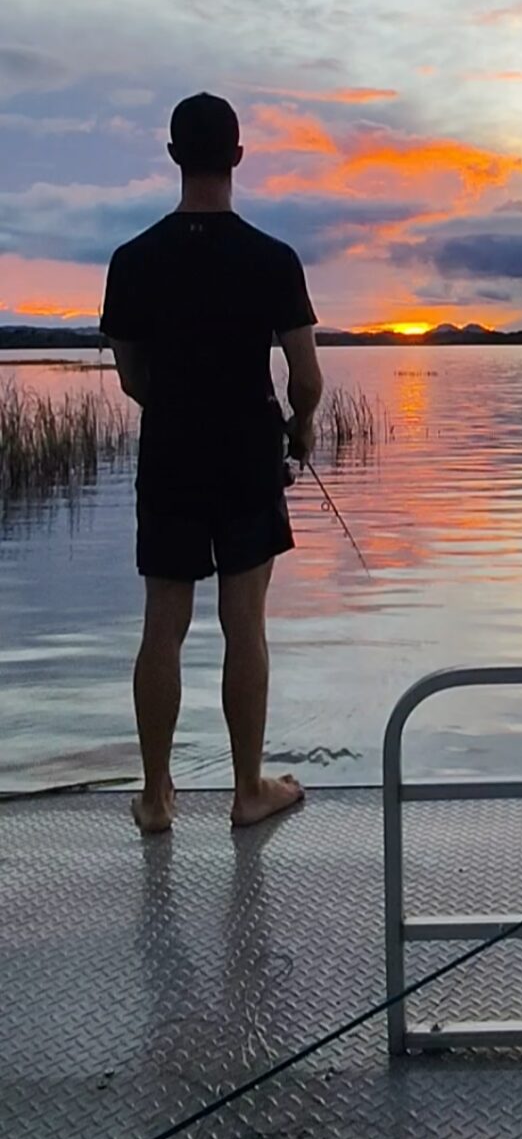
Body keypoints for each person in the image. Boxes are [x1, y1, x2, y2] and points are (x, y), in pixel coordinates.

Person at [100, 93, 324, 835]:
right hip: (247, 458)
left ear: (173, 157)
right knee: (244, 625)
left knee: (162, 625)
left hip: (170, 455)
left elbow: (131, 375)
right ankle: (246, 791)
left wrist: (176, 409)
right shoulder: (271, 258)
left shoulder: (132, 260)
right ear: (236, 155)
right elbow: (305, 374)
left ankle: (158, 796)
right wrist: (302, 426)